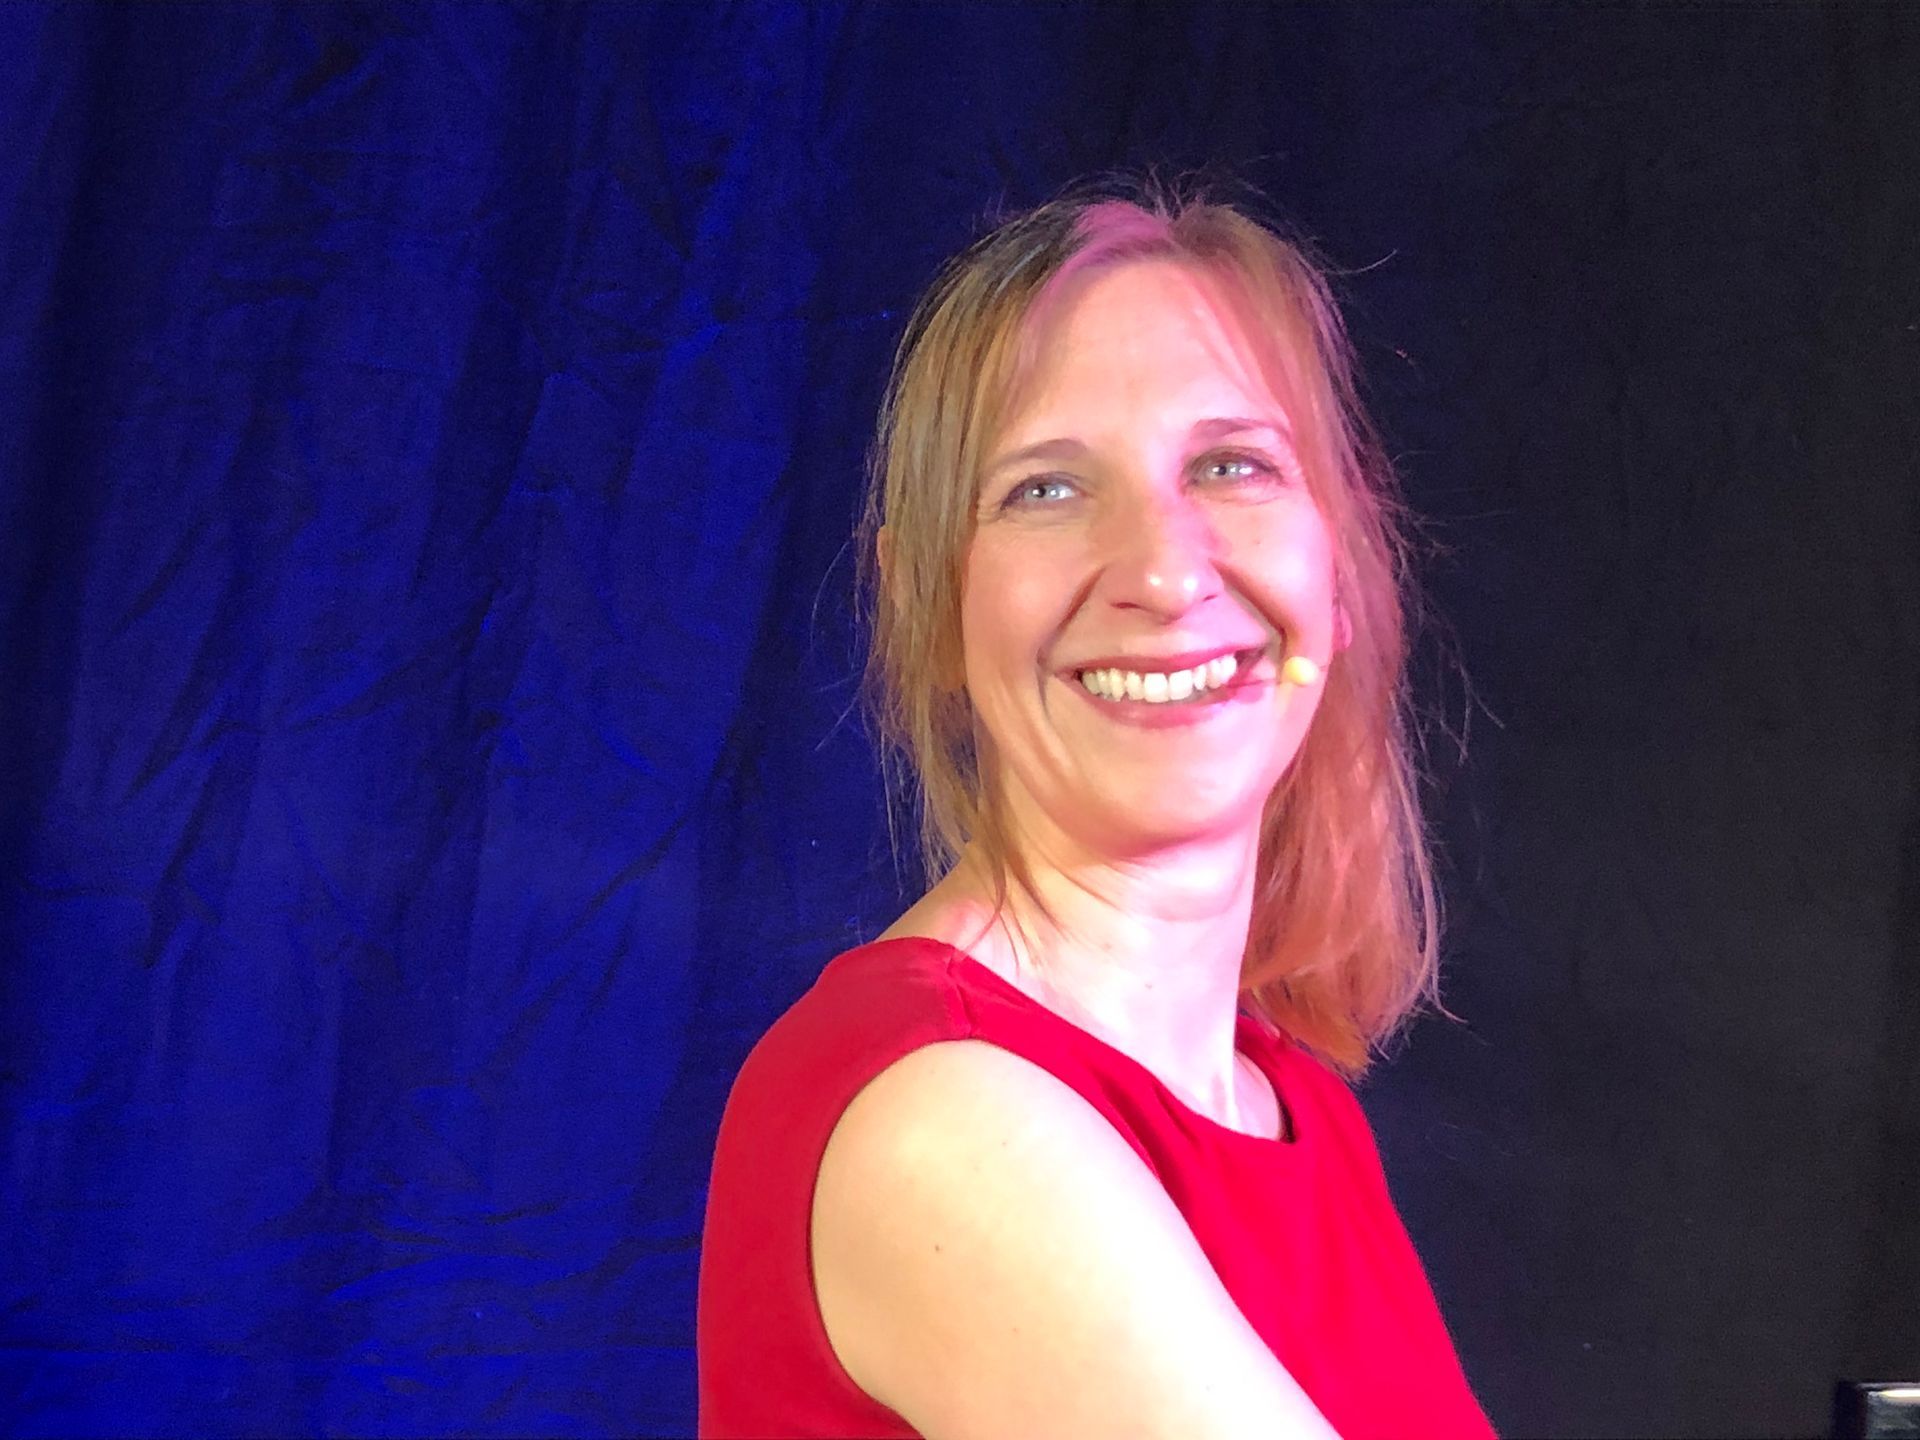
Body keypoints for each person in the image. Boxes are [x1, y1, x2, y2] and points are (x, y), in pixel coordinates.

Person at [696, 176, 1496, 1440]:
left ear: (1339, 568)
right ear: (929, 605)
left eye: (1232, 466)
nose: (1167, 573)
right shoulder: (940, 1119)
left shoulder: (1293, 1106)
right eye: (1047, 490)